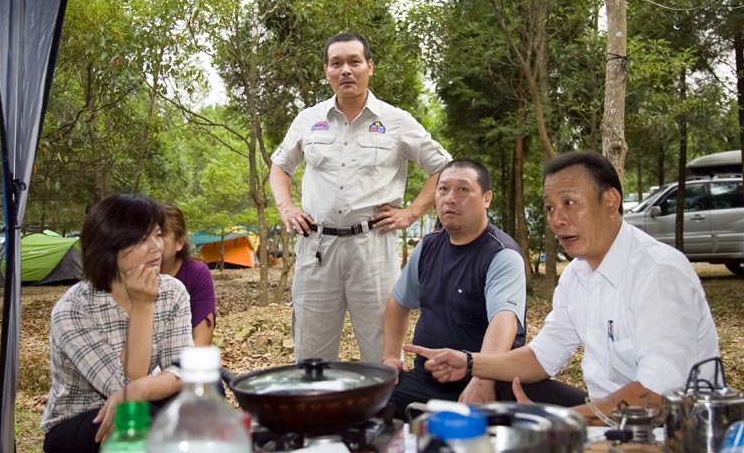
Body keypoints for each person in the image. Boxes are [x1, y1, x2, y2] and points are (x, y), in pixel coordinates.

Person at [406, 150, 720, 423]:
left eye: (570, 203)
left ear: (610, 202)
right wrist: (471, 363)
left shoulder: (658, 272)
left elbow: (658, 395)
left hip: (674, 428)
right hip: (606, 414)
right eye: (550, 207)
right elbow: (542, 357)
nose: (557, 220)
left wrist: (562, 421)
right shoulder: (576, 275)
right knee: (498, 384)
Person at [270, 31, 452, 363]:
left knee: (383, 354)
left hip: (373, 248)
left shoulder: (396, 121)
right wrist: (286, 207)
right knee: (311, 358)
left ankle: (383, 399)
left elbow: (442, 167)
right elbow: (280, 167)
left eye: (354, 61)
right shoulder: (308, 120)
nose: (345, 71)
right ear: (326, 70)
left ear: (370, 66)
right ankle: (318, 398)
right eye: (336, 63)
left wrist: (410, 213)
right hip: (317, 248)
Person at [41, 194, 193, 453]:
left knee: (203, 398)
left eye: (157, 235)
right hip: (80, 420)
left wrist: (140, 389)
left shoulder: (172, 291)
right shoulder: (74, 309)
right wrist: (143, 307)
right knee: (142, 419)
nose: (156, 247)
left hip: (140, 402)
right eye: (141, 239)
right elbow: (121, 386)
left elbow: (183, 369)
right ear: (109, 246)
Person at [382, 159, 532, 418]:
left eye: (463, 189)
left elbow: (503, 320)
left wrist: (482, 380)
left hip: (480, 383)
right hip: (424, 379)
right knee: (366, 403)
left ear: (486, 198)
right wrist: (390, 356)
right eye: (443, 189)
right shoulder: (428, 247)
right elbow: (398, 303)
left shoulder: (501, 254)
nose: (450, 198)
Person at [161, 204, 216, 347]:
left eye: (160, 235)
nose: (152, 242)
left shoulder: (196, 273)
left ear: (179, 242)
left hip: (183, 356)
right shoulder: (130, 272)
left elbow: (202, 342)